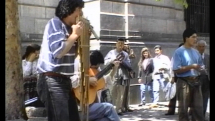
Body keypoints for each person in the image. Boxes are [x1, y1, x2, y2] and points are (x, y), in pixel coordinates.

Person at [36, 0, 84, 121]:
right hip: (52, 79)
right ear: (70, 9)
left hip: (65, 80)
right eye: (79, 9)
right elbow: (58, 52)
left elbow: (75, 53)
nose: (81, 14)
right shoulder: (55, 23)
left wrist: (80, 37)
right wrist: (74, 35)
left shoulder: (70, 28)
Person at [71, 50, 121, 121]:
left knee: (107, 119)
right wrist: (87, 80)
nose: (96, 68)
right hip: (81, 109)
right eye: (94, 66)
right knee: (109, 107)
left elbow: (105, 83)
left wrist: (114, 69)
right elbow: (73, 82)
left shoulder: (97, 71)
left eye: (97, 66)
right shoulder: (80, 69)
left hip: (93, 109)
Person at [172, 28, 205, 121]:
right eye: (193, 37)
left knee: (198, 109)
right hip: (184, 82)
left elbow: (200, 65)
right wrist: (191, 66)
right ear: (186, 38)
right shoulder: (179, 52)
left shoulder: (196, 52)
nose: (195, 39)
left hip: (196, 81)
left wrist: (201, 68)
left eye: (196, 37)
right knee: (183, 109)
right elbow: (176, 69)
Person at [104, 38, 132, 115]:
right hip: (113, 74)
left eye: (122, 44)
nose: (120, 45)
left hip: (122, 74)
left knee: (121, 93)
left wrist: (123, 62)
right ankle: (111, 108)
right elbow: (105, 61)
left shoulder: (125, 54)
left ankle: (118, 109)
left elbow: (129, 64)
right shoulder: (111, 52)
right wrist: (112, 60)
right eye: (119, 43)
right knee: (112, 92)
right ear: (116, 44)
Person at [165, 42, 184, 115]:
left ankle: (184, 111)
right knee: (173, 95)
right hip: (177, 77)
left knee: (185, 95)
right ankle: (171, 110)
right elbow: (171, 67)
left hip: (185, 77)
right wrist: (172, 77)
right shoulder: (175, 56)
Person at [196, 40, 210, 119]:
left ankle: (203, 115)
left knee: (205, 98)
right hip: (197, 79)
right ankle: (196, 115)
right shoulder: (194, 56)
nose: (201, 48)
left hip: (206, 80)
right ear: (197, 47)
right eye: (200, 46)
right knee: (197, 99)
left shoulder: (208, 56)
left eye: (203, 46)